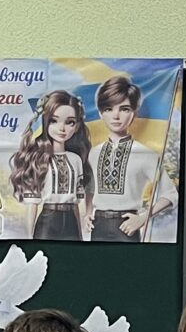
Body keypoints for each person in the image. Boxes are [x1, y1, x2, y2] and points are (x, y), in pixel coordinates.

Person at [87, 77, 163, 242]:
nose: (116, 116)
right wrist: (87, 213)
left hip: (127, 226)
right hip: (97, 225)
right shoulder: (94, 153)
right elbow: (90, 189)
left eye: (124, 109)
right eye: (109, 109)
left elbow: (170, 195)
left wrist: (142, 218)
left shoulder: (145, 153)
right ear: (100, 113)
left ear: (134, 112)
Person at [10, 90, 89, 241]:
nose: (62, 128)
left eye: (70, 122)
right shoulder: (38, 158)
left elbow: (78, 202)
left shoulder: (76, 160)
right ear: (44, 122)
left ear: (77, 126)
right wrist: (29, 237)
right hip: (48, 220)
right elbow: (32, 204)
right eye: (54, 121)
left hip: (71, 219)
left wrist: (81, 235)